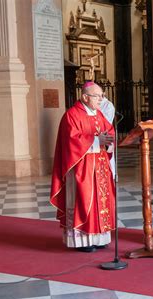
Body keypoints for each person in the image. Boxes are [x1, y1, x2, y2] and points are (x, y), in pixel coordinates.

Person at [50, 82, 116, 253]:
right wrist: (96, 141)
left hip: (100, 166)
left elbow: (109, 131)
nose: (101, 99)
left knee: (100, 202)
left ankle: (99, 237)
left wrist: (109, 141)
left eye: (102, 95)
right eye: (97, 96)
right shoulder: (71, 115)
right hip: (81, 168)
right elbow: (72, 141)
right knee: (84, 200)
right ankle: (83, 241)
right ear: (85, 97)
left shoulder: (98, 114)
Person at [99, 95, 116, 179]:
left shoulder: (108, 105)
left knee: (107, 158)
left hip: (105, 133)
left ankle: (110, 175)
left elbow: (107, 121)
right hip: (96, 136)